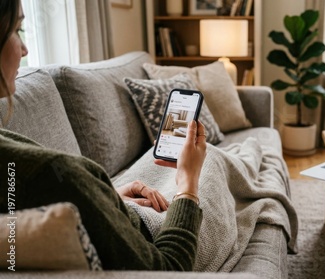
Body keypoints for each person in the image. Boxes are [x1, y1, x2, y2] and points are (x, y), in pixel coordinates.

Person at [0, 0, 207, 270]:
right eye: (18, 30)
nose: (24, 49)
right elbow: (168, 270)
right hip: (156, 232)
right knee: (213, 160)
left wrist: (106, 197)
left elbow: (61, 200)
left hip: (128, 207)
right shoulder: (47, 174)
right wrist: (189, 183)